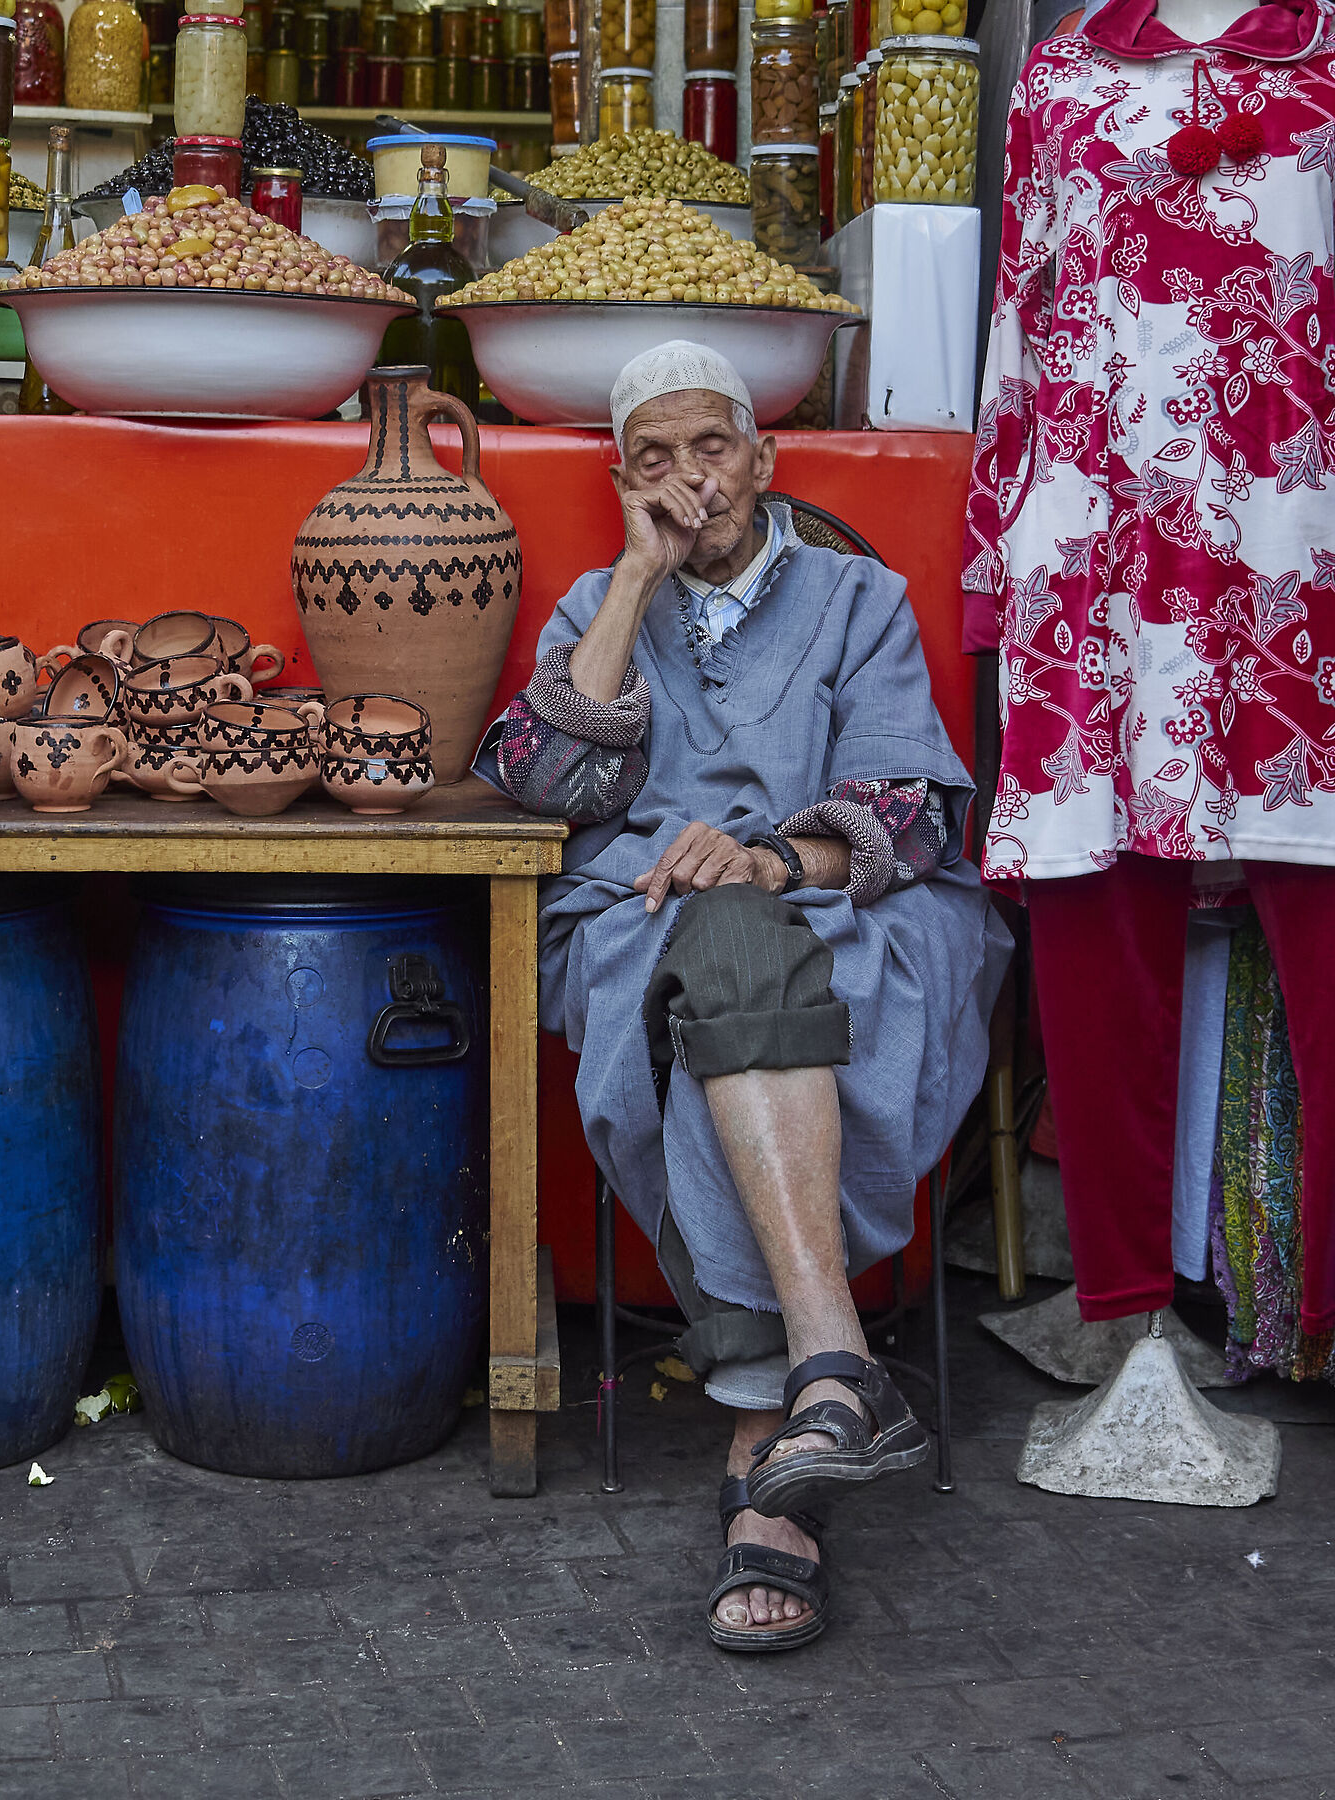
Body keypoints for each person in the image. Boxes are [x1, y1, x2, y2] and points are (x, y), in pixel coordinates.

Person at [476, 341, 1009, 1654]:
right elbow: (545, 784)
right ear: (623, 479)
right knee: (712, 945)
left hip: (843, 920)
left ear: (762, 458)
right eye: (652, 460)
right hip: (635, 934)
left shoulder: (855, 598)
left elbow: (909, 810)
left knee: (738, 943)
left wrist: (773, 857)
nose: (688, 480)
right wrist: (636, 580)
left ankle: (774, 1438)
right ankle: (831, 1379)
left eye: (710, 448)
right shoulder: (597, 604)